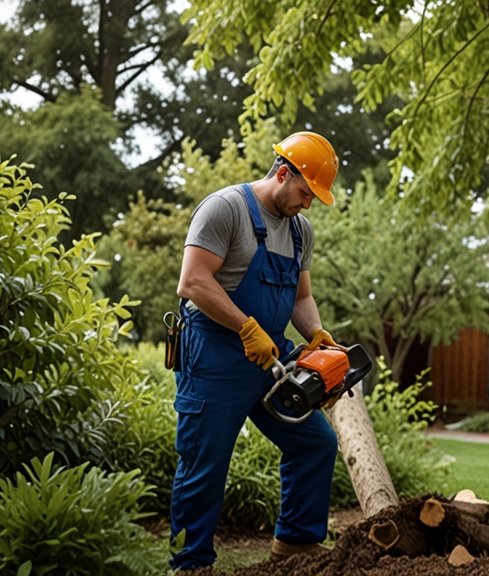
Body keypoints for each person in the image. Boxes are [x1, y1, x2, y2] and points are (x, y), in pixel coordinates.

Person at [169, 132, 342, 570]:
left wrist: (317, 333)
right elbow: (192, 282)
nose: (307, 204)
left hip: (270, 357)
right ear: (283, 174)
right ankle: (191, 564)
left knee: (316, 442)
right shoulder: (225, 209)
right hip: (214, 353)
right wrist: (245, 327)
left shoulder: (302, 230)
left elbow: (301, 298)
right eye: (305, 193)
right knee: (204, 464)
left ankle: (296, 543)